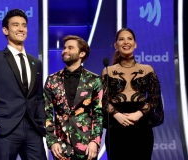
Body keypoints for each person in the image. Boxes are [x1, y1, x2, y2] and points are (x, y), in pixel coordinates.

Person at [0, 9, 46, 160]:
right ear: (5, 30)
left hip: (32, 129)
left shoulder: (36, 63)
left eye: (24, 25)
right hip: (5, 129)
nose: (21, 29)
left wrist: (42, 123)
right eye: (16, 25)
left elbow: (38, 97)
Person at [102, 28, 164, 160]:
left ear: (135, 44)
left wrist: (138, 114)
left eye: (129, 39)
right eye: (121, 39)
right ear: (116, 45)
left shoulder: (147, 69)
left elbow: (155, 98)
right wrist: (116, 114)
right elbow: (103, 100)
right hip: (116, 125)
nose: (126, 42)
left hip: (141, 125)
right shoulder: (108, 71)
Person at [44, 35, 103, 160]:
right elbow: (46, 113)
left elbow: (99, 114)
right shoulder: (52, 80)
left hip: (87, 146)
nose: (65, 51)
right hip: (61, 147)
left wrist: (95, 141)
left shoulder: (94, 80)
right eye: (64, 48)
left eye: (70, 48)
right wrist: (52, 141)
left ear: (82, 53)